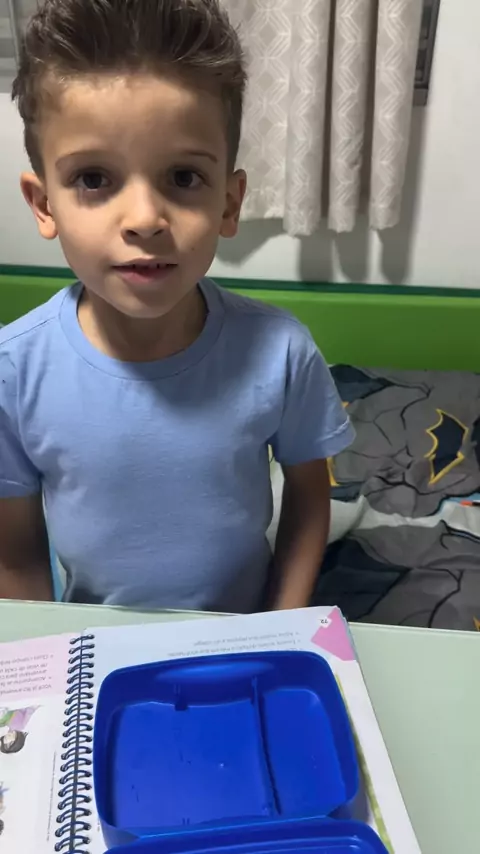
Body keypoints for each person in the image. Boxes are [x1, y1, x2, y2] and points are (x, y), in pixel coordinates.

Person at [0, 0, 354, 613]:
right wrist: (47, 650)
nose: (144, 219)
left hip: (244, 634)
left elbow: (308, 496)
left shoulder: (281, 352)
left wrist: (283, 622)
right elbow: (15, 552)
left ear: (229, 203)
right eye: (93, 179)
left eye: (184, 178)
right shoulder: (13, 372)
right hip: (95, 648)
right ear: (44, 205)